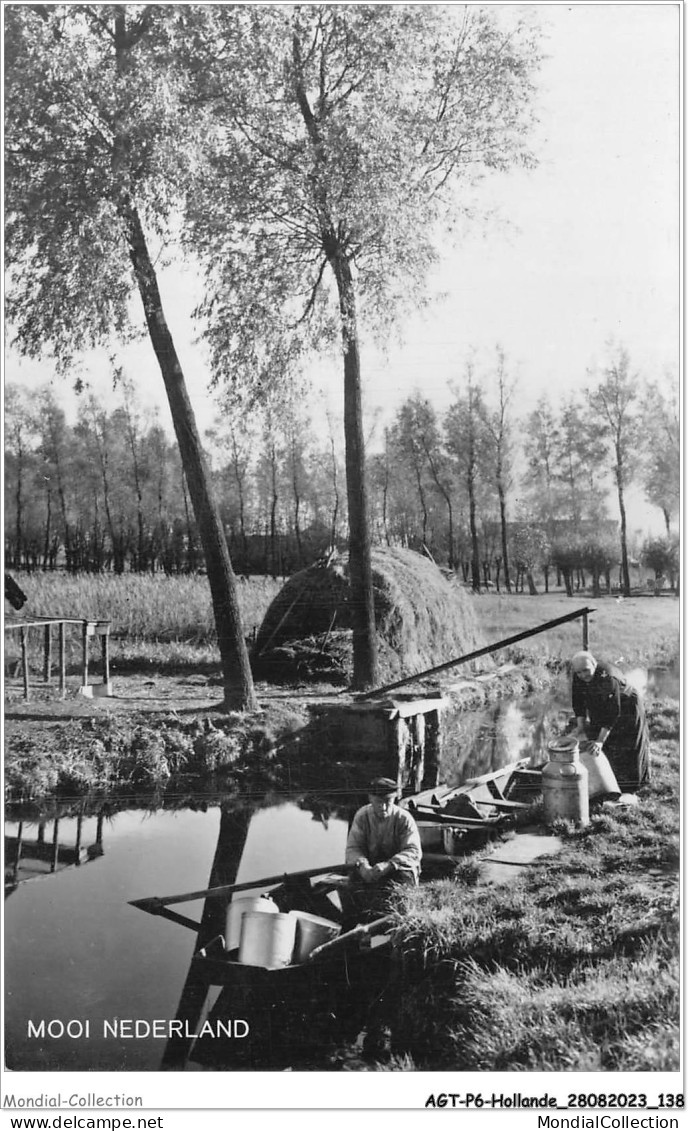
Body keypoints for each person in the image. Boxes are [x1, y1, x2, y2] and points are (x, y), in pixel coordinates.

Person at [571, 650, 651, 791]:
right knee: (602, 743)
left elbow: (613, 711)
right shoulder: (578, 675)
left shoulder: (607, 677)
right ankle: (608, 781)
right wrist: (580, 727)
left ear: (594, 665)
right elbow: (578, 702)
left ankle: (632, 786)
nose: (583, 675)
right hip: (602, 704)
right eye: (579, 672)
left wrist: (600, 740)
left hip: (627, 707)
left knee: (627, 744)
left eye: (586, 670)